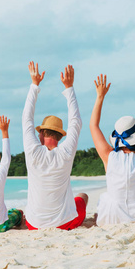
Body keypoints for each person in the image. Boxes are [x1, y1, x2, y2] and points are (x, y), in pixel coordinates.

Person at [90, 70, 135, 226]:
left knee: (105, 198)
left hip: (112, 214)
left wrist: (100, 96)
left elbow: (93, 126)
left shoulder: (109, 156)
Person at [22, 61, 88, 230]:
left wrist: (34, 85)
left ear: (41, 134)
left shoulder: (33, 152)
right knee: (83, 196)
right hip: (64, 224)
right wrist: (69, 88)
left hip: (34, 225)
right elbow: (76, 122)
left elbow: (26, 119)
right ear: (60, 135)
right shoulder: (66, 151)